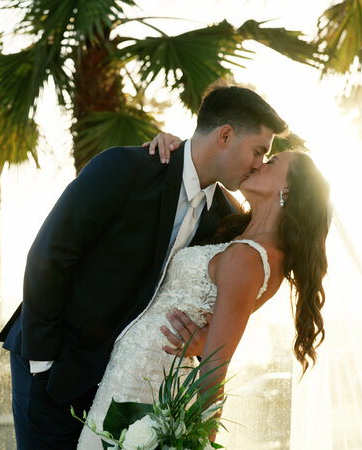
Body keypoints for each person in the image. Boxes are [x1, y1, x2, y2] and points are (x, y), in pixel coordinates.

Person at [0, 85, 288, 449]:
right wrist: (42, 363)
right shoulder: (125, 167)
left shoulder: (225, 219)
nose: (260, 164)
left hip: (129, 388)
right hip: (56, 367)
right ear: (225, 136)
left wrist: (201, 344)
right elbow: (49, 254)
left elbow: (221, 303)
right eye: (259, 151)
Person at [77, 148, 332, 449]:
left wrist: (203, 441)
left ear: (286, 189)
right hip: (136, 369)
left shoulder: (250, 258)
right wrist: (174, 145)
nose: (260, 163)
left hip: (146, 381)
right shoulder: (244, 234)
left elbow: (214, 367)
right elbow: (200, 167)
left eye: (272, 162)